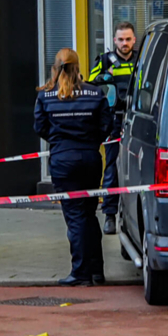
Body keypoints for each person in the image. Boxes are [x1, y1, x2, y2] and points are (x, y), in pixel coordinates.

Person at [35, 48, 111, 286]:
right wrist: (89, 141)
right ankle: (97, 270)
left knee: (75, 217)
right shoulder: (95, 93)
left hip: (63, 161)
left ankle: (80, 273)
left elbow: (40, 127)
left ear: (55, 68)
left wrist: (60, 140)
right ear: (78, 67)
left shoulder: (45, 96)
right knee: (89, 214)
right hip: (90, 158)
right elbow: (105, 127)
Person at [88, 21, 138, 235]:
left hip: (138, 119)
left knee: (138, 167)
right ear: (114, 40)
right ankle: (109, 214)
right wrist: (101, 79)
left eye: (128, 39)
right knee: (112, 167)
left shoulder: (142, 60)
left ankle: (133, 216)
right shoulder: (105, 61)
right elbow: (90, 89)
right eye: (121, 39)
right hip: (114, 121)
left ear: (134, 40)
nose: (124, 43)